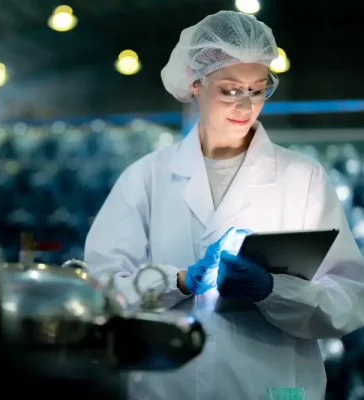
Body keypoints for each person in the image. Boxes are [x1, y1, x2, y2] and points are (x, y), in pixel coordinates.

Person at [84, 10, 364, 400]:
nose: (246, 105)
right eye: (230, 90)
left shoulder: (304, 178)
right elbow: (102, 288)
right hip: (168, 388)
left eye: (257, 89)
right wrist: (178, 281)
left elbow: (350, 298)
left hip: (270, 387)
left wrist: (274, 290)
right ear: (195, 84)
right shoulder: (146, 179)